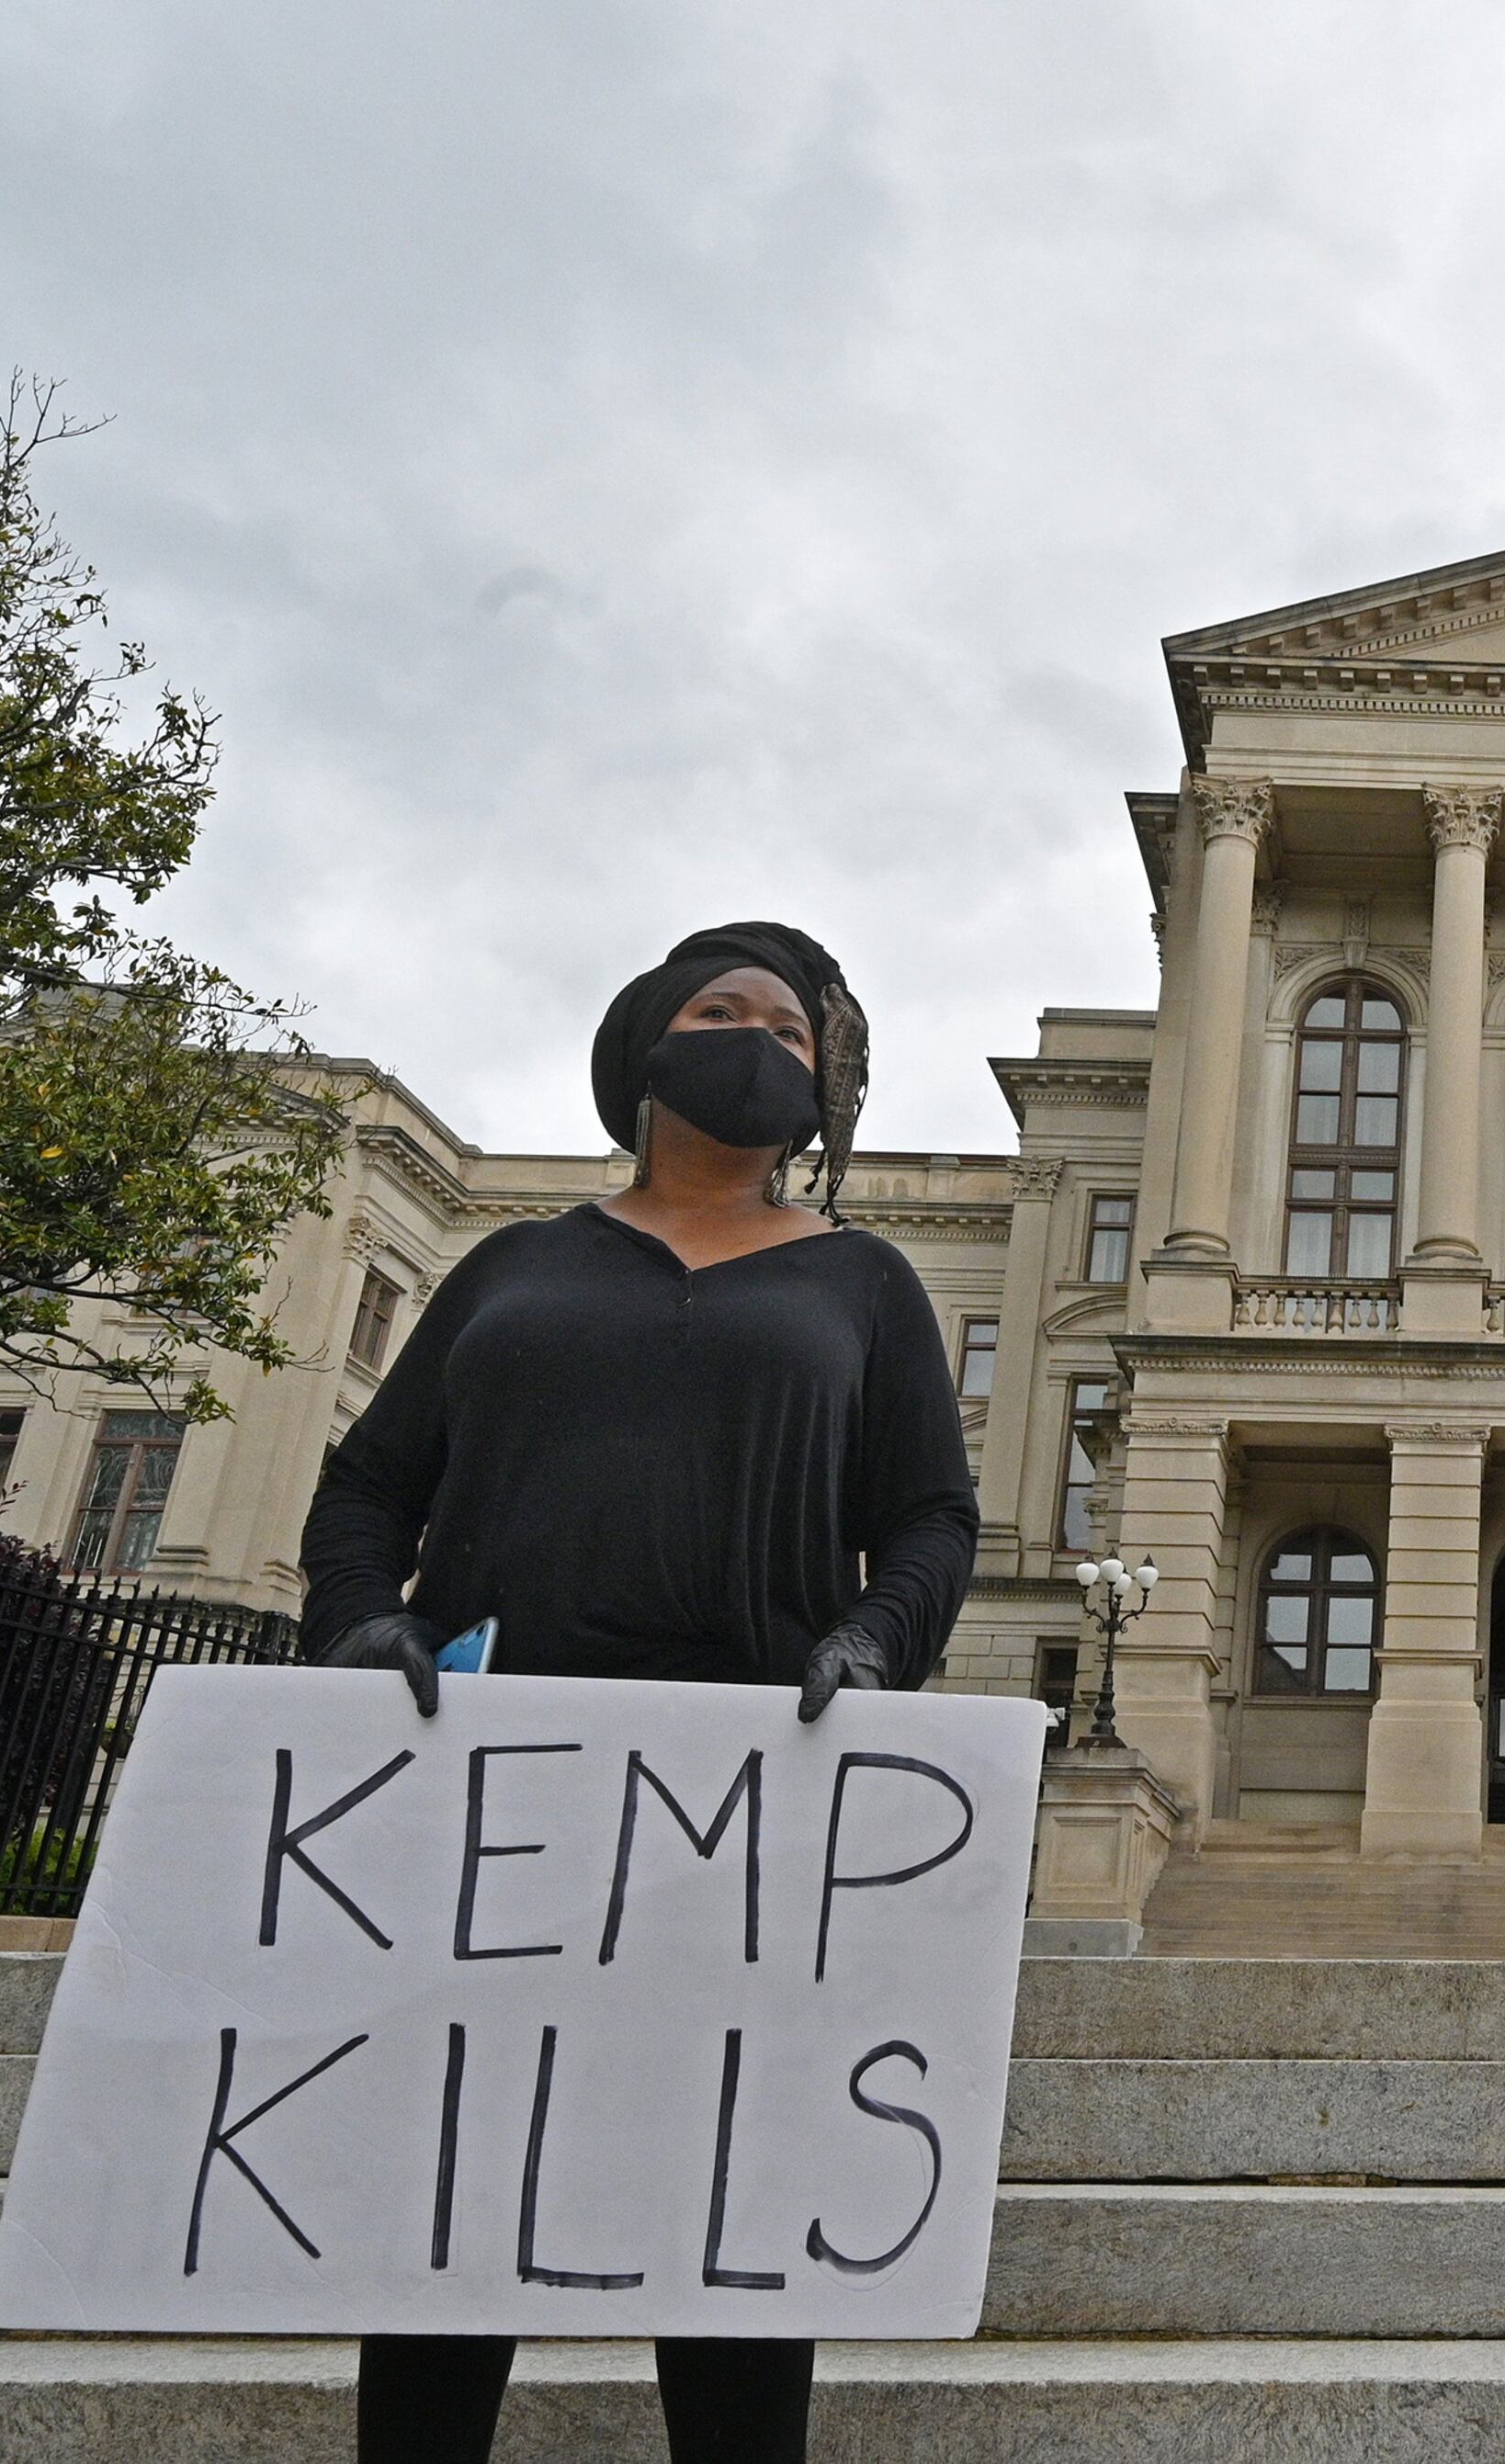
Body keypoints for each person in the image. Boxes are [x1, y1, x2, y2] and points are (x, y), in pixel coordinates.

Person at [298, 921, 979, 2464]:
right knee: (450, 2231)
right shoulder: (513, 1261)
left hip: (741, 1817)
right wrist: (354, 1627)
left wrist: (877, 1640)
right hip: (490, 1808)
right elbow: (364, 1491)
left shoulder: (867, 1283)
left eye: (793, 1031)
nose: (758, 1038)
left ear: (826, 1088)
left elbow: (935, 1518)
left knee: (731, 2244)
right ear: (643, 1047)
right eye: (721, 1009)